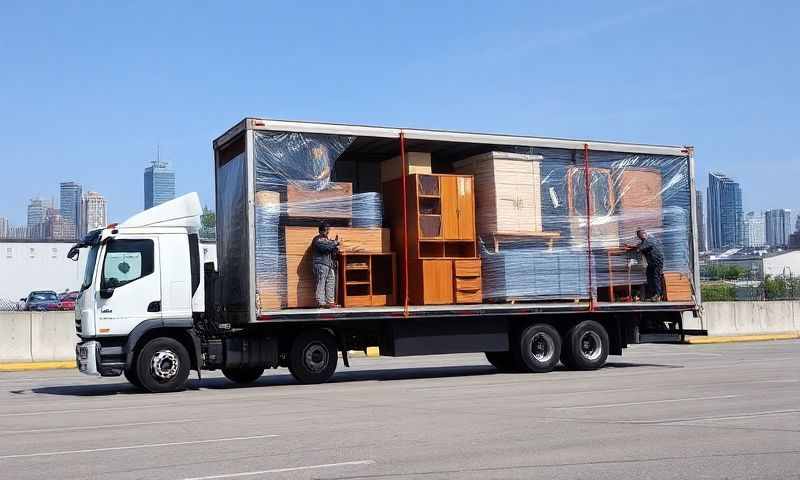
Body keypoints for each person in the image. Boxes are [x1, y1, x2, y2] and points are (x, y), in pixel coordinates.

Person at [625, 228, 665, 301]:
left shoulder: (649, 240)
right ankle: (653, 294)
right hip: (651, 263)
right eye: (638, 236)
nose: (639, 237)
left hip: (657, 262)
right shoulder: (644, 241)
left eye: (639, 235)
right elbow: (638, 246)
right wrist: (629, 247)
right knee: (649, 276)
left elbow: (639, 249)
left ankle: (658, 295)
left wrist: (631, 253)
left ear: (644, 234)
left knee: (656, 277)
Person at [312, 222, 341, 308]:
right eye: (326, 229)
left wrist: (335, 247)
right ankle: (321, 302)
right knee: (321, 281)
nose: (328, 231)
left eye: (328, 229)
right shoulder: (318, 239)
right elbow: (324, 248)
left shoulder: (327, 240)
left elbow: (332, 250)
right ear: (322, 230)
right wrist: (335, 243)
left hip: (329, 264)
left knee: (331, 281)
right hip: (321, 264)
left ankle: (330, 301)